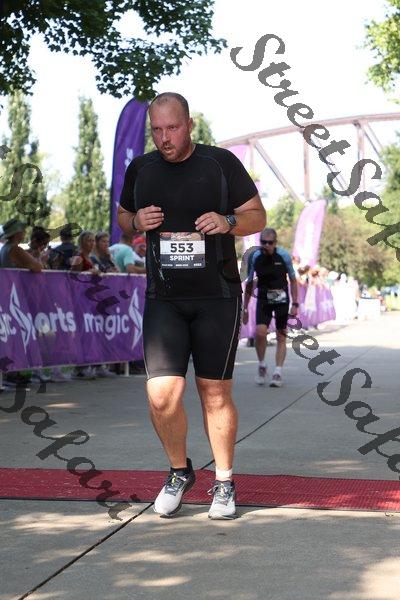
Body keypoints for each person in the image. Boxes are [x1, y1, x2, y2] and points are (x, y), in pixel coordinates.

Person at [117, 92, 265, 520]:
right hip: (164, 298)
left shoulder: (220, 164)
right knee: (161, 395)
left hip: (216, 296)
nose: (164, 138)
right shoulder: (141, 168)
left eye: (173, 128)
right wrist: (135, 222)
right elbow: (123, 218)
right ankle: (179, 471)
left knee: (214, 393)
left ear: (190, 124)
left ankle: (224, 481)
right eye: (157, 130)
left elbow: (257, 215)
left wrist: (228, 222)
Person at [243, 228, 298, 388]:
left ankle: (278, 372)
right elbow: (249, 283)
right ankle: (262, 365)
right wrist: (245, 308)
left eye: (270, 242)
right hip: (263, 299)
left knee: (281, 335)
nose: (266, 245)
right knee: (260, 333)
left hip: (281, 298)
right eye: (263, 242)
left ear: (275, 243)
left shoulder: (284, 256)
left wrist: (295, 304)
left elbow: (293, 280)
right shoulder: (255, 257)